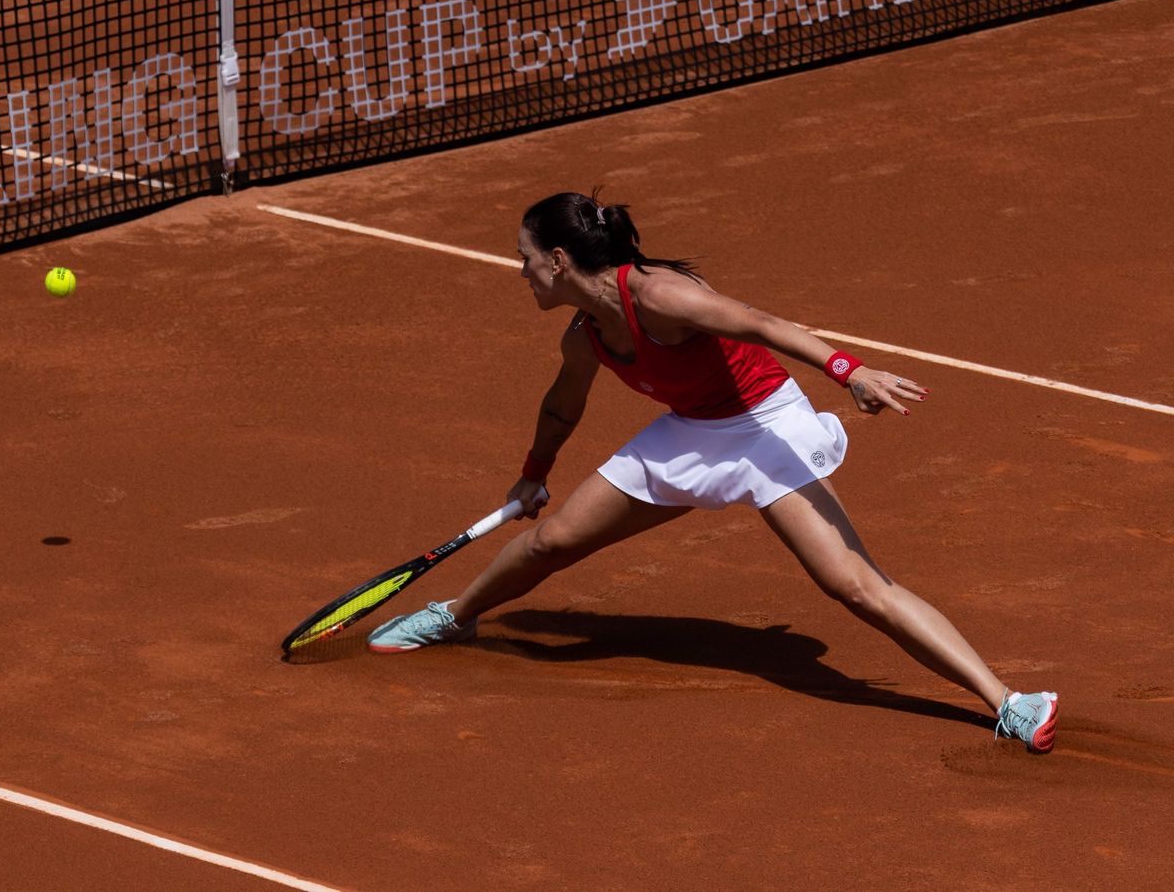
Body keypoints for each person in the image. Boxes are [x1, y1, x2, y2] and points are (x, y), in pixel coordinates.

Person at [367, 191, 1058, 754]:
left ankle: (1008, 702)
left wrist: (850, 371)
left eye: (524, 260)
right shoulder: (583, 333)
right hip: (692, 432)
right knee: (552, 542)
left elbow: (762, 323)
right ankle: (454, 617)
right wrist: (531, 475)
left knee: (854, 586)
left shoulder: (663, 297)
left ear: (557, 259)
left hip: (763, 428)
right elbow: (562, 404)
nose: (520, 273)